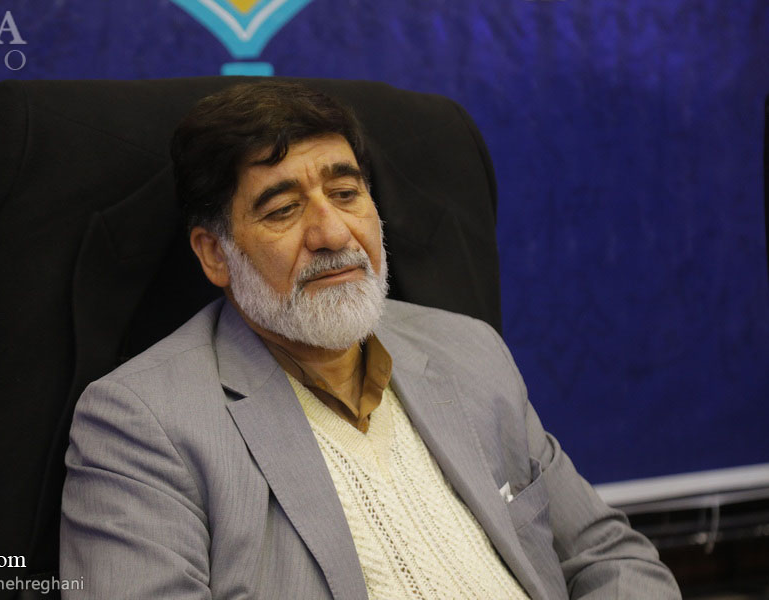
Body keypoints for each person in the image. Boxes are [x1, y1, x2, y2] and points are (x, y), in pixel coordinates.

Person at [60, 81, 680, 599]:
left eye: (345, 193)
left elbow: (610, 556)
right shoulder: (141, 422)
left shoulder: (469, 350)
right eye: (283, 209)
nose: (333, 233)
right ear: (215, 254)